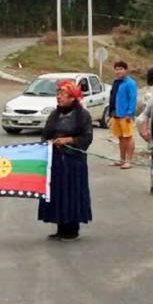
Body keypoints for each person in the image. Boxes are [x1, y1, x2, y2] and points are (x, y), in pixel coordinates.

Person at [39, 81, 94, 241]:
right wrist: (49, 142)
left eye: (63, 94)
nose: (59, 96)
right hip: (56, 161)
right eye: (58, 93)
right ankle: (60, 227)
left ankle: (72, 229)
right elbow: (45, 134)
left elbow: (87, 137)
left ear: (72, 97)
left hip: (74, 161)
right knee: (58, 193)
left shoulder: (82, 115)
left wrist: (68, 140)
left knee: (72, 193)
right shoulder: (54, 115)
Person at [108, 61, 138, 169]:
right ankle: (122, 159)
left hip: (126, 115)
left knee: (128, 137)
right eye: (117, 69)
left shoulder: (130, 83)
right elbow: (112, 97)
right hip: (116, 114)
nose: (118, 71)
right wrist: (110, 113)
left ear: (126, 70)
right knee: (120, 138)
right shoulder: (116, 82)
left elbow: (133, 98)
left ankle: (129, 161)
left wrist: (130, 113)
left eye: (121, 69)